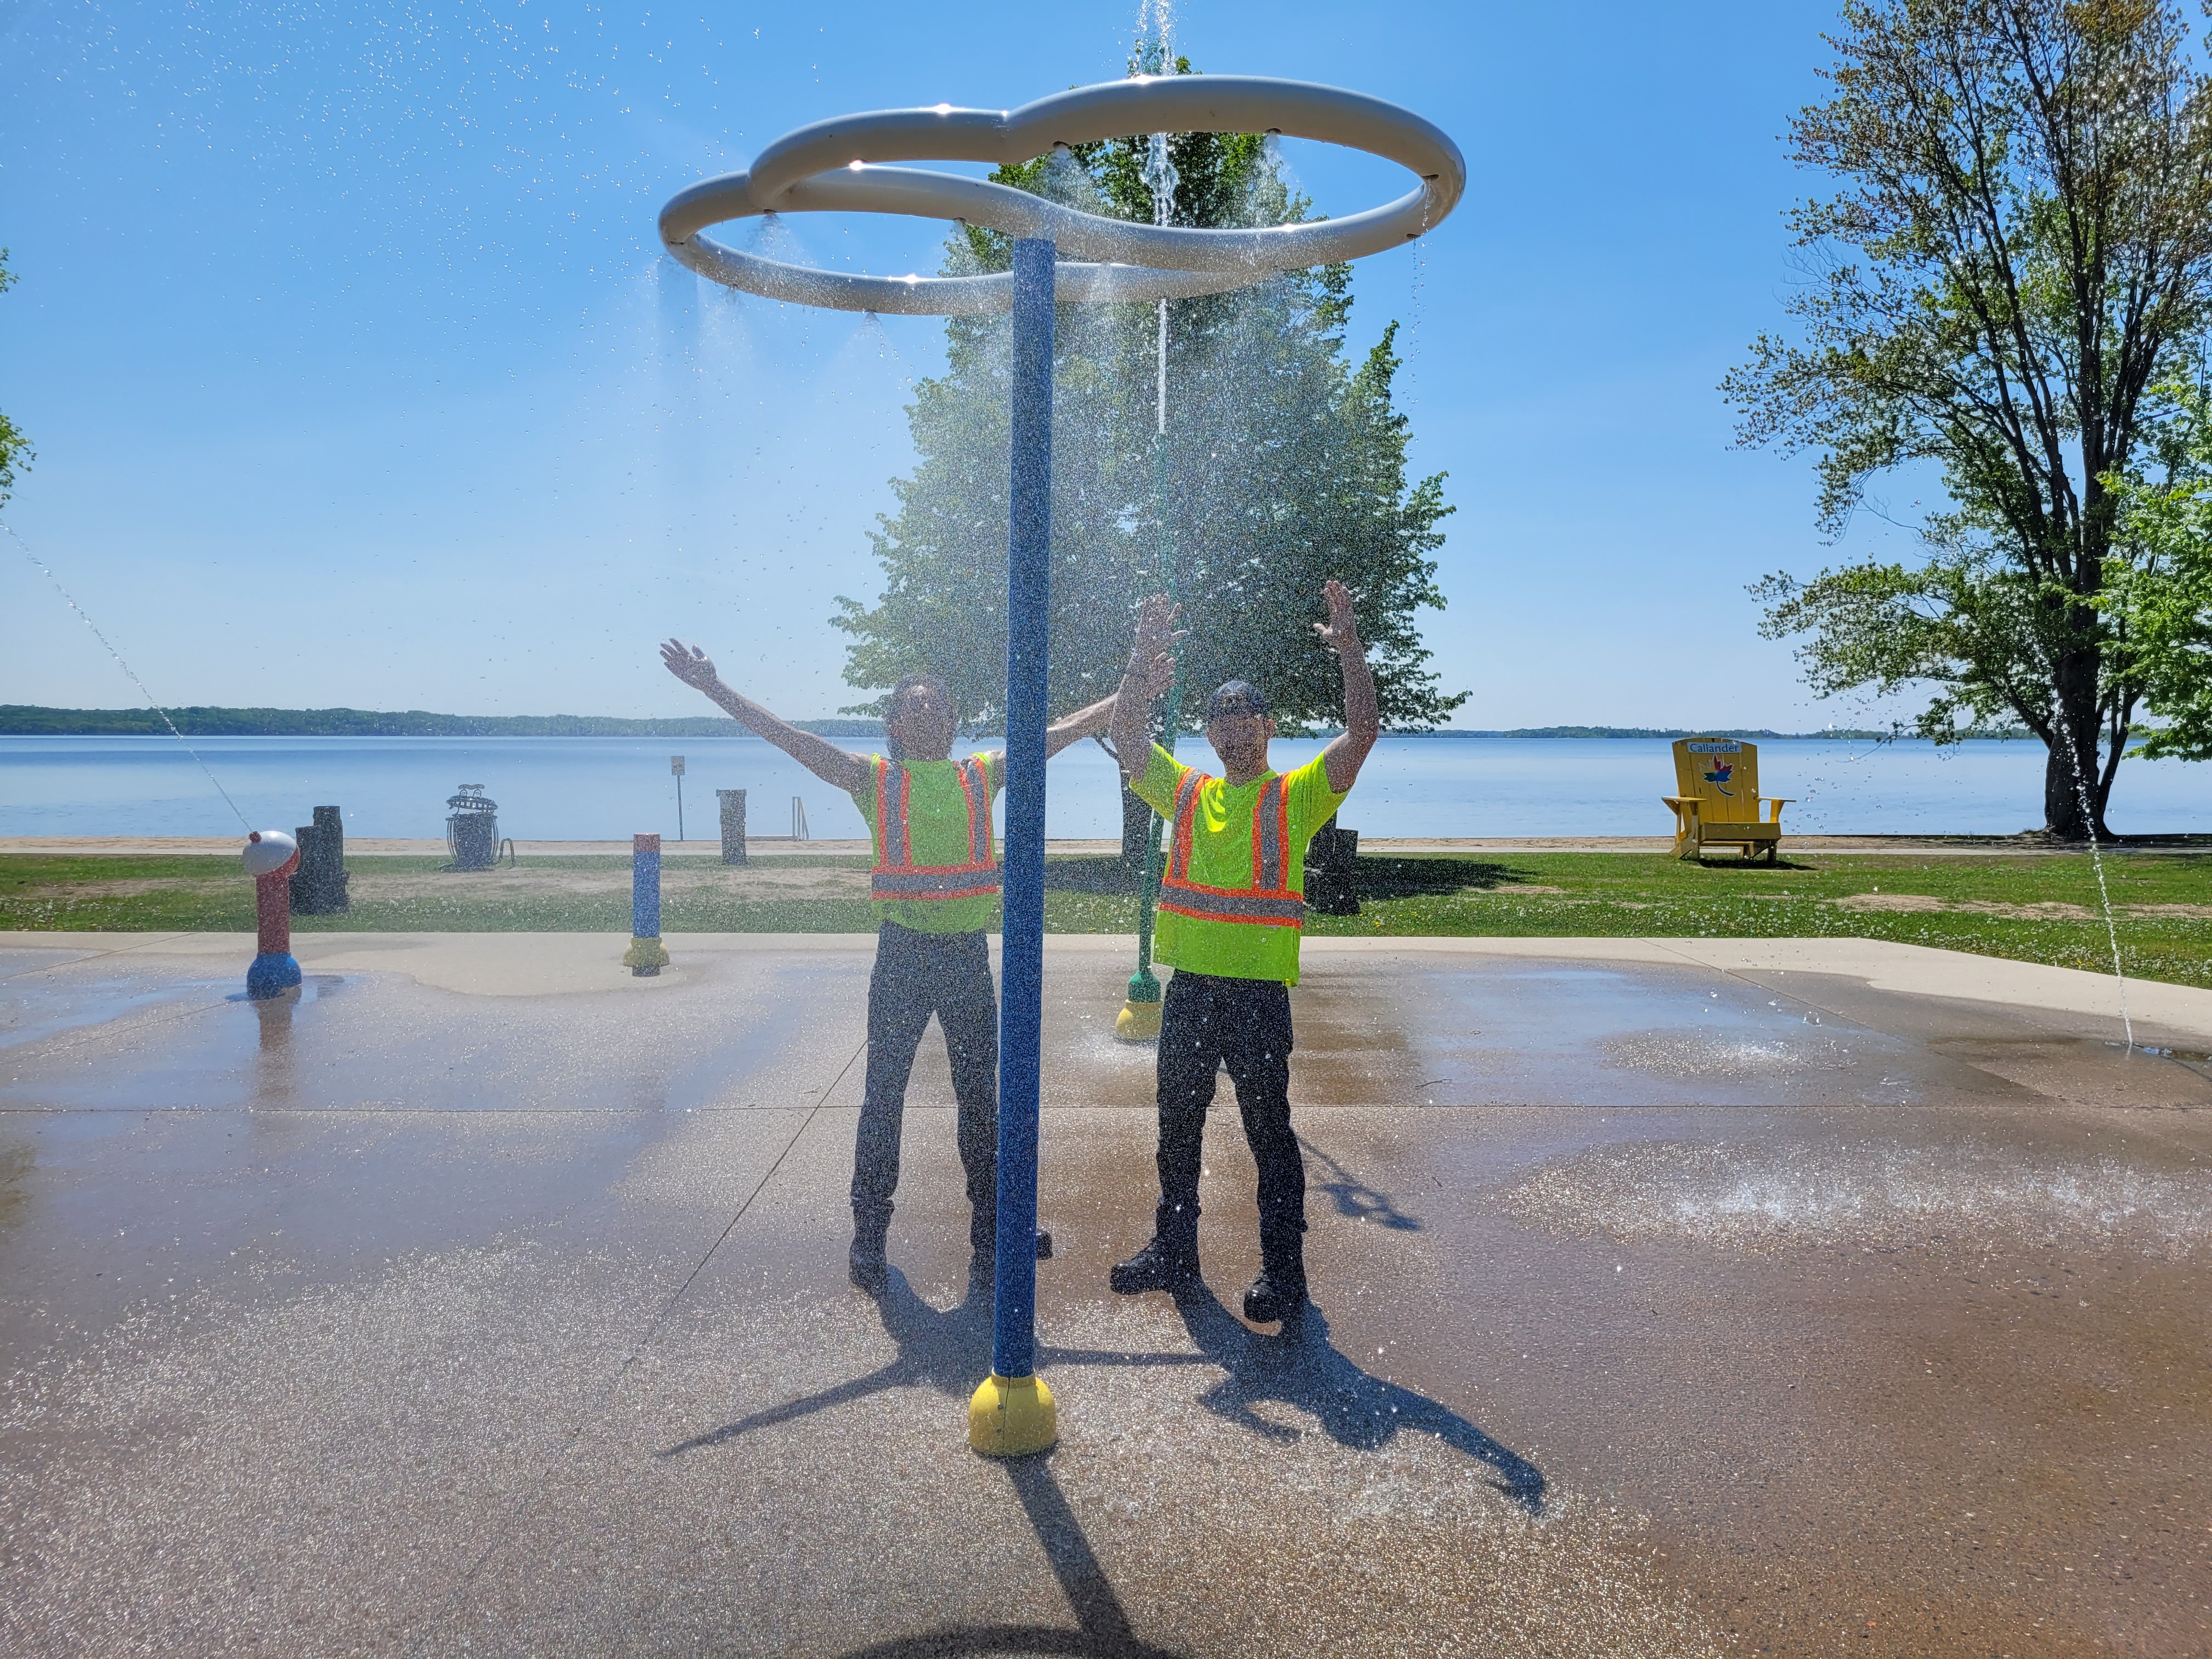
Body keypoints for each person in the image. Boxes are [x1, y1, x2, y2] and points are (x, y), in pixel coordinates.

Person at [660, 640, 1115, 1291]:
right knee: (884, 1101)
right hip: (901, 957)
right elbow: (789, 739)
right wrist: (715, 688)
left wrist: (1130, 685)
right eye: (916, 709)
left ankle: (993, 1230)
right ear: (895, 727)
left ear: (954, 723)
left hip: (964, 957)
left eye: (941, 708)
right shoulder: (876, 780)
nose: (932, 716)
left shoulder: (981, 773)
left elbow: (1065, 731)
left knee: (981, 1103)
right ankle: (868, 1235)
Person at [1103, 579, 1379, 1324]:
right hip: (1192, 988)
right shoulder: (1189, 792)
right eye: (1219, 720)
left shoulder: (1295, 797)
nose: (1232, 731)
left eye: (1244, 716)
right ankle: (1173, 1250)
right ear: (1207, 733)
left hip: (1258, 998)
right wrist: (1140, 659)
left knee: (1268, 1134)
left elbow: (1360, 738)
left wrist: (1349, 648)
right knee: (1176, 1128)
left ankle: (1285, 1273)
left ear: (1269, 725)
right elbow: (1127, 738)